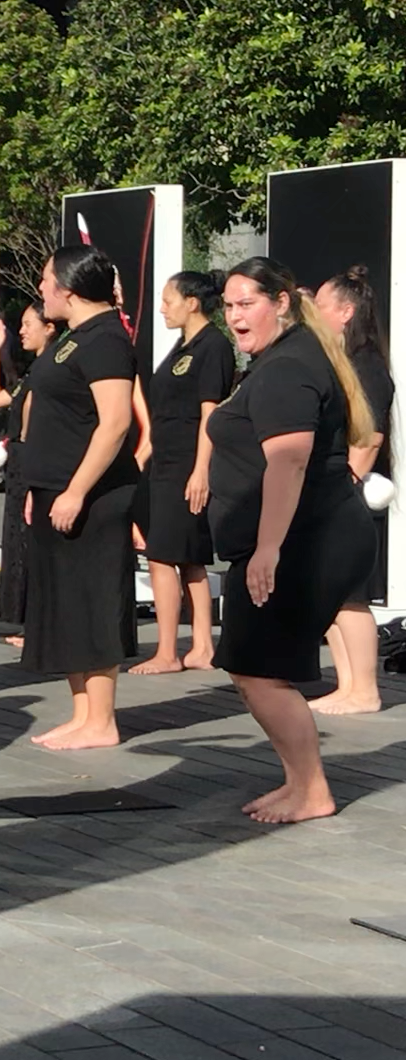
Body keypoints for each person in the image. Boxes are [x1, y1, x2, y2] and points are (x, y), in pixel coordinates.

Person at [208, 257, 377, 823]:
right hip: (301, 535)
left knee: (258, 668)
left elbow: (289, 462)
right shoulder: (285, 357)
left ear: (280, 302)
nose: (235, 316)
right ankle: (300, 782)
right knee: (254, 665)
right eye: (228, 305)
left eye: (247, 303)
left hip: (304, 540)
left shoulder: (286, 368)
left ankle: (311, 789)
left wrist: (267, 548)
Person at [21, 246, 138, 751]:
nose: (42, 290)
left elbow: (115, 422)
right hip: (55, 489)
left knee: (92, 600)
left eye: (47, 281)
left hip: (92, 496)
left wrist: (75, 490)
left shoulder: (107, 338)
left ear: (68, 288)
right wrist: (39, 488)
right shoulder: (75, 338)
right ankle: (81, 713)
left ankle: (102, 719)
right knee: (65, 604)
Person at [129, 271, 236, 675]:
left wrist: (201, 470)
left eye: (168, 300)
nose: (162, 308)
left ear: (192, 302)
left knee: (164, 555)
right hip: (165, 461)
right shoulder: (181, 346)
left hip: (189, 464)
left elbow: (210, 412)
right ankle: (203, 645)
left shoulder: (214, 347)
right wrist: (143, 456)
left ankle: (168, 650)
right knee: (186, 557)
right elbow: (165, 415)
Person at [310, 265, 395, 715]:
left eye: (321, 305)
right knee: (333, 593)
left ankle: (365, 689)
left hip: (351, 496)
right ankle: (346, 684)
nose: (314, 312)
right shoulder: (340, 363)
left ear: (345, 312)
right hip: (333, 491)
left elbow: (370, 438)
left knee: (351, 597)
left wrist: (345, 488)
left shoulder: (367, 367)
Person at [0, 302, 60, 645]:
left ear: (50, 327)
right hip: (18, 464)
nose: (23, 330)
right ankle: (30, 622)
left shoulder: (55, 369)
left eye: (30, 323)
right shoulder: (33, 373)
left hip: (35, 462)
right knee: (19, 544)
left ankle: (41, 626)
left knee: (34, 546)